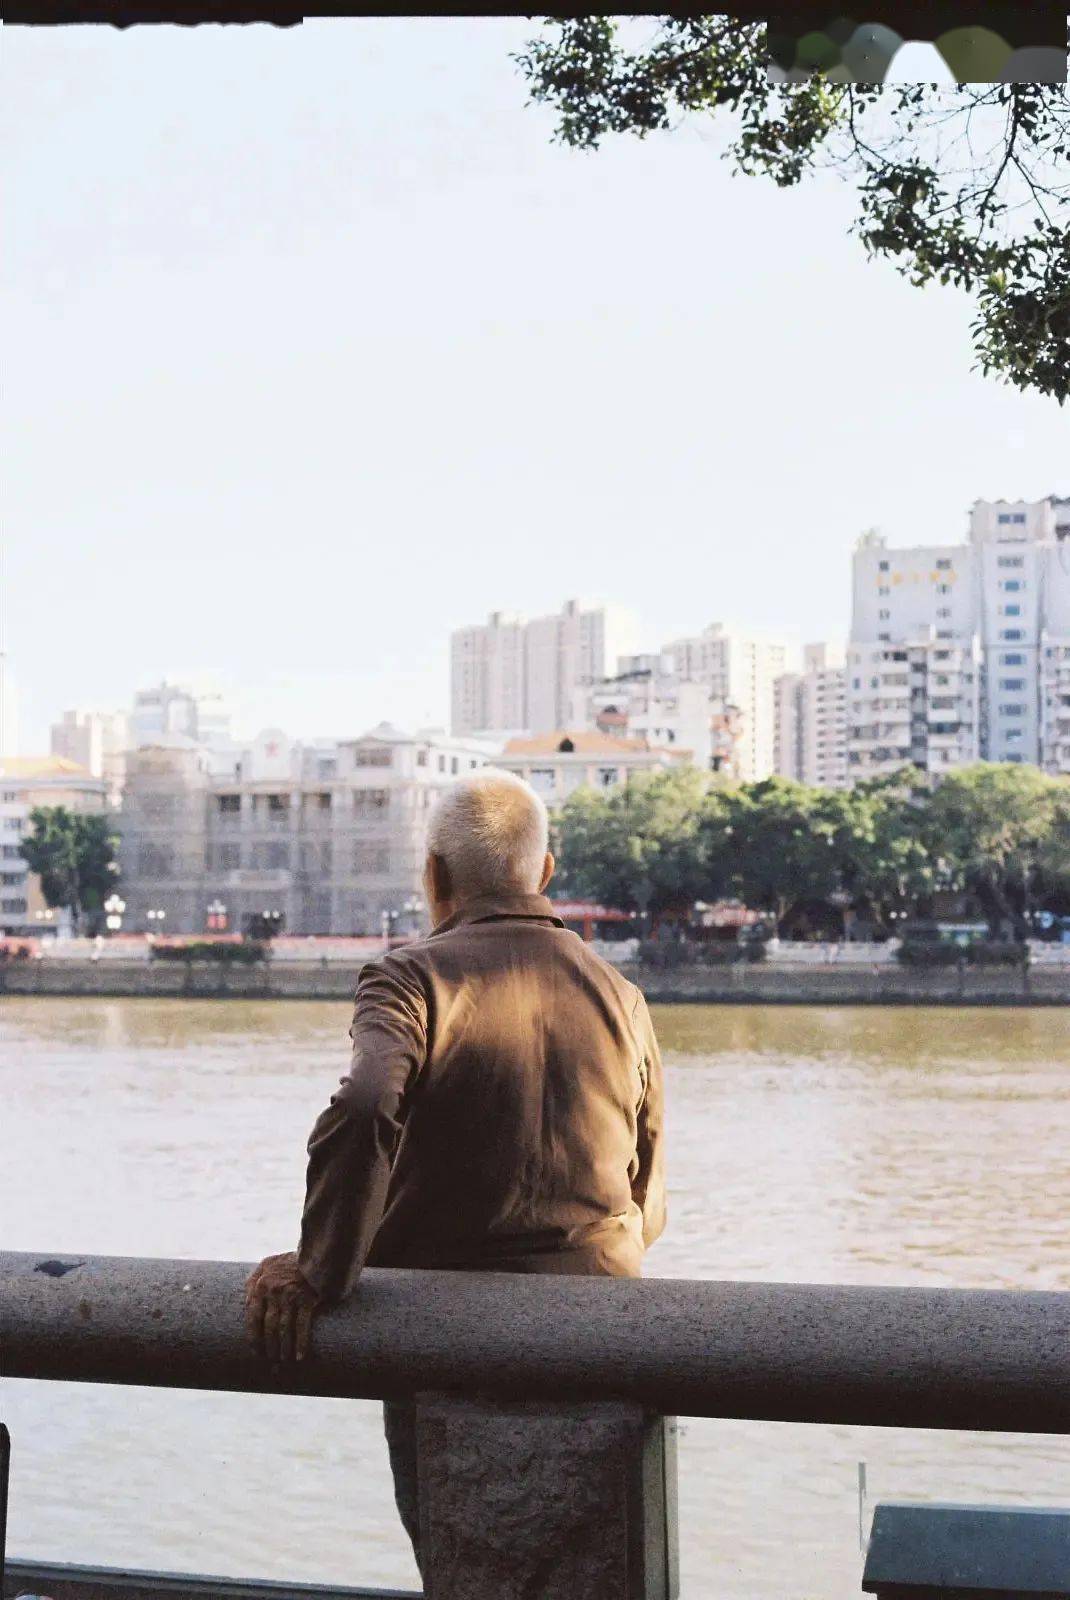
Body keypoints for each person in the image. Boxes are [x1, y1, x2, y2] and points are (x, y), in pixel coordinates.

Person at [244, 767, 666, 1575]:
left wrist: (323, 1267)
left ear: (431, 874)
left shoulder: (409, 977)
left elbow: (368, 1104)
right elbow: (647, 1196)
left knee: (465, 1567)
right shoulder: (623, 996)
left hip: (442, 1338)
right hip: (599, 1336)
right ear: (546, 871)